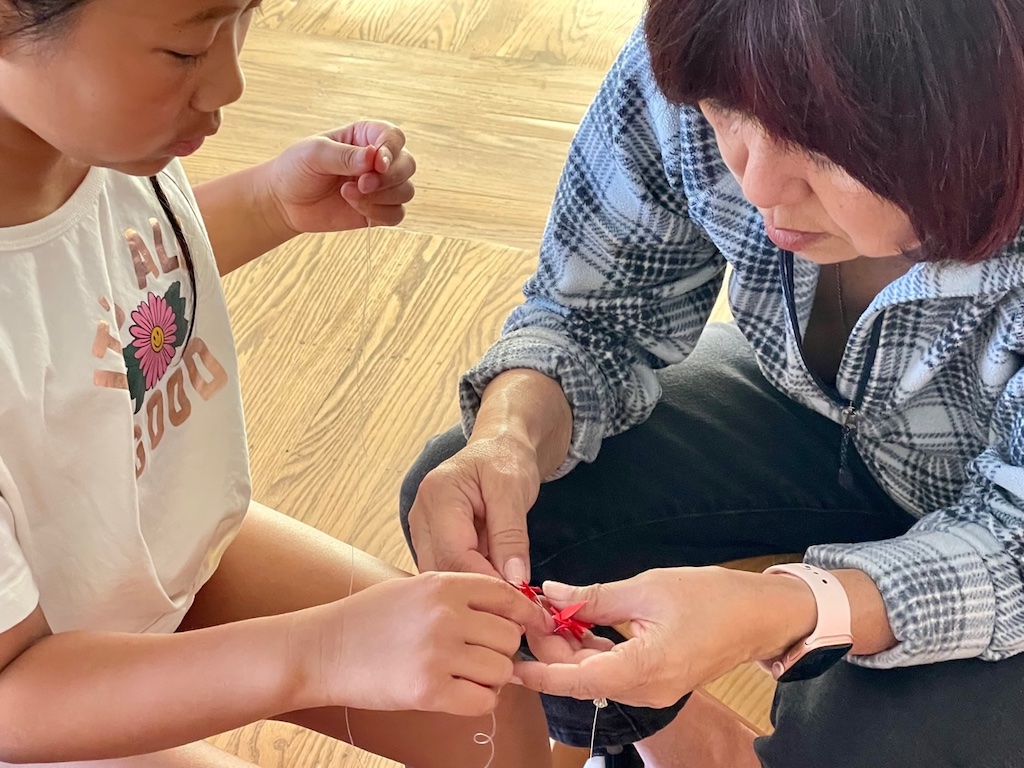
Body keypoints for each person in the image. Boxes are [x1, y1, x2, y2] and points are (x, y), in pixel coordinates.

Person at [401, 0, 1024, 766]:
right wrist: (510, 436)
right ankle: (685, 742)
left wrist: (794, 606)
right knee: (491, 509)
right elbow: (593, 312)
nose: (756, 180)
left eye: (825, 147)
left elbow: (1014, 546)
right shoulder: (726, 46)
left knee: (875, 740)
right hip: (828, 427)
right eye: (726, 110)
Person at [0, 1, 556, 767]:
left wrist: (271, 203)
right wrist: (320, 650)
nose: (229, 81)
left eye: (244, 16)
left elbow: (99, 294)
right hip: (36, 676)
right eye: (187, 51)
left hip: (153, 543)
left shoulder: (86, 135)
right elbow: (15, 700)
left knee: (484, 692)